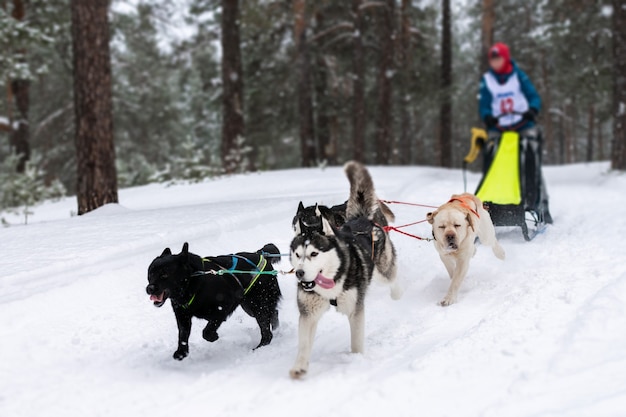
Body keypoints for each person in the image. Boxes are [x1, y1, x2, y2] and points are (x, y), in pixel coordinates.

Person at [479, 42, 541, 131]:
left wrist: (533, 109)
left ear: (506, 58)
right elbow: (484, 104)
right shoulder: (487, 80)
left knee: (531, 142)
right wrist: (487, 116)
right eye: (492, 60)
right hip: (498, 126)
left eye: (498, 59)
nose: (495, 63)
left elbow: (533, 96)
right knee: (489, 143)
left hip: (523, 123)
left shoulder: (519, 76)